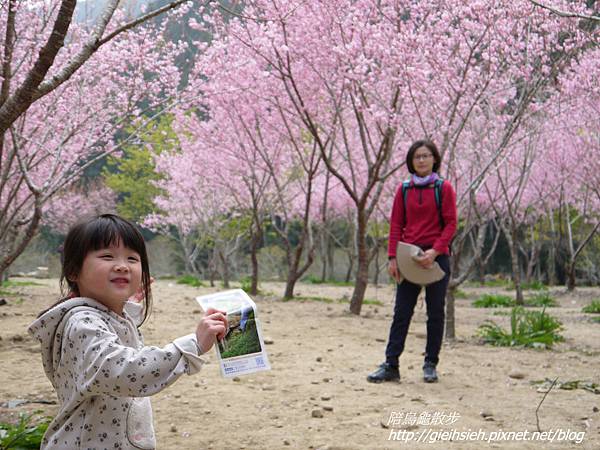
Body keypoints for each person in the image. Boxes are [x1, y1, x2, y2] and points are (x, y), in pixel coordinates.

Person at [28, 214, 228, 449]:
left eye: (132, 258)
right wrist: (192, 346)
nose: (122, 265)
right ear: (73, 271)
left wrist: (125, 307)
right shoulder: (81, 323)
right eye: (107, 256)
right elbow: (122, 370)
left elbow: (112, 339)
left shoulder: (105, 318)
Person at [367, 140, 457, 384]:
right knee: (401, 312)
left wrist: (435, 251)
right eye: (417, 156)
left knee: (435, 312)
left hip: (437, 260)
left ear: (434, 159)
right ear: (411, 161)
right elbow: (396, 224)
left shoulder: (444, 188)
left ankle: (430, 364)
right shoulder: (404, 190)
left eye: (426, 155)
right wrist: (392, 258)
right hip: (408, 258)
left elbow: (451, 223)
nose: (421, 160)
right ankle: (391, 364)